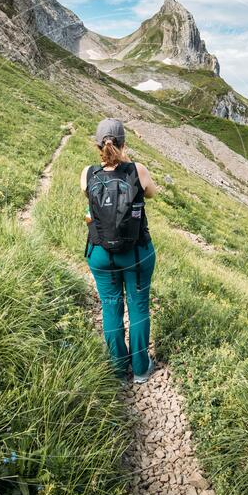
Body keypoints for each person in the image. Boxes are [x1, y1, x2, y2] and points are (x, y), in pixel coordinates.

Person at [80, 118, 157, 383]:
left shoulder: (88, 173)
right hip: (136, 254)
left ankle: (117, 369)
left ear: (97, 144)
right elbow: (151, 194)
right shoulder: (138, 170)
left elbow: (88, 196)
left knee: (111, 306)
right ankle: (140, 368)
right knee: (138, 306)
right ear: (124, 143)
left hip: (101, 254)